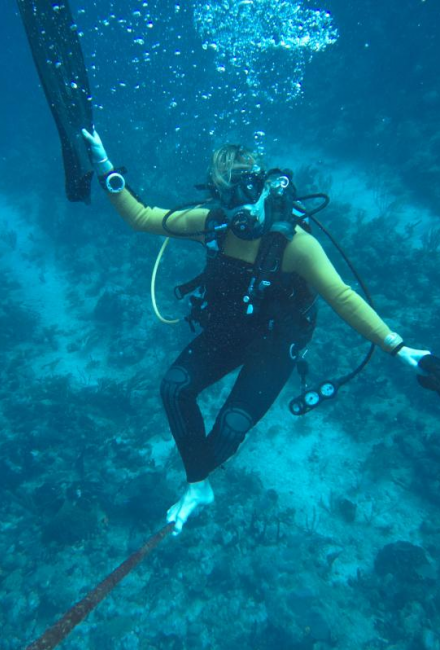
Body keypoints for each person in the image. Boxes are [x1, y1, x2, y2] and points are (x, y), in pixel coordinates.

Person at [82, 128, 438, 536]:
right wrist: (105, 167)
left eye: (248, 190)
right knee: (173, 387)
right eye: (226, 195)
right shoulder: (212, 224)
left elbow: (341, 295)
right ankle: (199, 486)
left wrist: (398, 347)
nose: (239, 207)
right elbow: (142, 218)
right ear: (216, 194)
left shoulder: (296, 245)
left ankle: (196, 484)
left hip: (278, 339)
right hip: (231, 326)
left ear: (265, 186)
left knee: (232, 424)